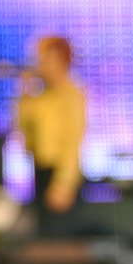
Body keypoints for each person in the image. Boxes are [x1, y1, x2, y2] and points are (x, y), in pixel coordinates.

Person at [16, 36, 88, 238]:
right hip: (40, 171)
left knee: (57, 239)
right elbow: (23, 128)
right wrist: (25, 92)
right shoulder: (42, 96)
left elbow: (73, 143)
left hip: (60, 175)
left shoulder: (72, 95)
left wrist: (64, 182)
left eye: (46, 59)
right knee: (41, 235)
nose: (41, 65)